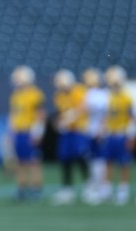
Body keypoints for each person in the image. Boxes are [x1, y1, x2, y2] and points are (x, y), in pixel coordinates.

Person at [98, 65, 136, 205]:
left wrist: (132, 136)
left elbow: (132, 118)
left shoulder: (127, 96)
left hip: (122, 134)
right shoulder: (107, 96)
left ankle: (123, 190)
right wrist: (101, 130)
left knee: (124, 163)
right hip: (110, 134)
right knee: (107, 162)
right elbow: (104, 116)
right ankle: (106, 189)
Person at [7, 65, 46, 202]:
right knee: (20, 163)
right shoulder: (16, 95)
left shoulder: (35, 94)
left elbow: (40, 115)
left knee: (34, 163)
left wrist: (37, 133)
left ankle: (36, 190)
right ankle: (21, 190)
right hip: (19, 132)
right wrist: (11, 133)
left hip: (30, 132)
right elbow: (14, 115)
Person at [51, 69, 89, 205]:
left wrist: (68, 118)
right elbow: (60, 112)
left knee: (81, 157)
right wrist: (59, 122)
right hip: (67, 132)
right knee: (65, 159)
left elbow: (82, 108)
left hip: (79, 130)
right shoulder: (59, 95)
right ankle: (67, 189)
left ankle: (88, 186)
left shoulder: (78, 90)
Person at [80, 68, 109, 205]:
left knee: (98, 160)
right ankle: (96, 186)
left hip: (96, 131)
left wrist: (100, 129)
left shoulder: (96, 95)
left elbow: (103, 114)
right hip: (91, 130)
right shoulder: (98, 94)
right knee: (93, 160)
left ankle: (100, 188)